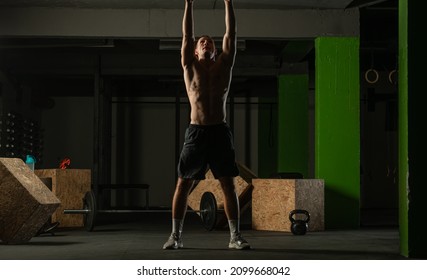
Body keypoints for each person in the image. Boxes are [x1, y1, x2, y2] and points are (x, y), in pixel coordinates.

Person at [163, 0, 250, 250]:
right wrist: (189, 4)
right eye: (201, 41)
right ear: (194, 50)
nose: (205, 42)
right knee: (183, 183)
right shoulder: (189, 67)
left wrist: (228, 2)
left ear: (215, 50)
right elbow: (186, 34)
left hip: (220, 131)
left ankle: (235, 237)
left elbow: (231, 33)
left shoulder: (225, 66)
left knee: (227, 183)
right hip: (197, 132)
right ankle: (176, 236)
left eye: (210, 42)